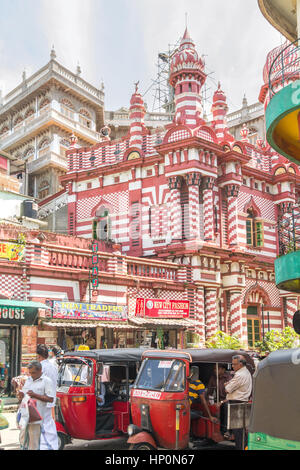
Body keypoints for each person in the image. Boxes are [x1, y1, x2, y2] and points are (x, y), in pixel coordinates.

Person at [18, 361, 55, 450]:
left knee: (35, 443)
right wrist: (21, 395)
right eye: (30, 373)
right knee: (23, 440)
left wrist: (35, 395)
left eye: (33, 373)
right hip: (26, 416)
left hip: (38, 417)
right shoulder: (29, 380)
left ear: (40, 371)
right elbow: (25, 395)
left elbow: (50, 399)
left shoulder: (46, 381)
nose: (31, 375)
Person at [224, 355, 252, 450]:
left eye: (234, 364)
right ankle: (242, 446)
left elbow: (227, 389)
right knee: (240, 430)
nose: (232, 366)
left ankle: (241, 447)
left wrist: (227, 385)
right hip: (241, 402)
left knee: (238, 430)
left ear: (240, 364)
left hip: (237, 403)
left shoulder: (240, 374)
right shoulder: (245, 372)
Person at [36, 344, 58, 450]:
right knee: (49, 425)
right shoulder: (53, 367)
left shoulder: (40, 367)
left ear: (39, 356)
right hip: (51, 401)